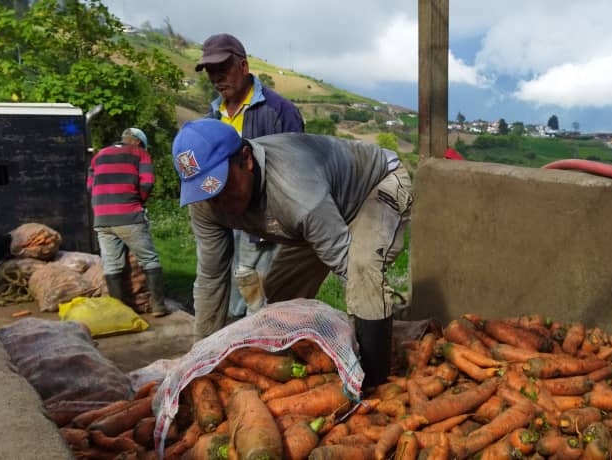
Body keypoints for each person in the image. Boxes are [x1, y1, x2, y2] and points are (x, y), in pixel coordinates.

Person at [172, 119, 412, 388]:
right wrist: (201, 360)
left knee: (363, 270)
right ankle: (304, 368)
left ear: (246, 159)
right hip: (322, 208)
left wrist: (369, 324)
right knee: (281, 299)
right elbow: (211, 279)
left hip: (376, 186)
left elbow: (347, 265)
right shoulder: (207, 205)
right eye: (204, 192)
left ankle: (379, 381)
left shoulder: (295, 189)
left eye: (220, 186)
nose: (217, 202)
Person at [196, 33, 305, 319]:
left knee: (264, 298)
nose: (217, 77)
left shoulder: (279, 111)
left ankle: (267, 347)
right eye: (210, 71)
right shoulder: (212, 116)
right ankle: (234, 346)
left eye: (224, 68)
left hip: (266, 219)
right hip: (225, 217)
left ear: (243, 67)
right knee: (233, 291)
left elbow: (298, 169)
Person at [88, 128, 170, 316]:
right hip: (128, 215)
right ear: (139, 142)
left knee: (111, 264)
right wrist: (138, 202)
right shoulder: (140, 154)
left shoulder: (99, 155)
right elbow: (147, 182)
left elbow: (90, 185)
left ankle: (119, 312)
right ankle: (158, 306)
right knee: (149, 259)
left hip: (101, 217)